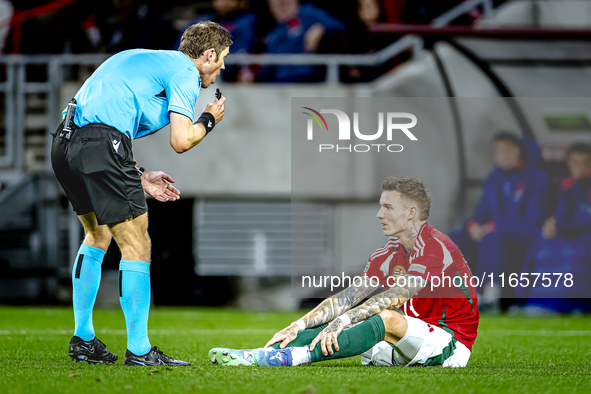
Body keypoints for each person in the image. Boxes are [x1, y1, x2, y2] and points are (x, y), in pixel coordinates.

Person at [51, 21, 232, 366]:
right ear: (208, 54)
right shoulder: (184, 72)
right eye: (222, 58)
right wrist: (208, 119)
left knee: (97, 233)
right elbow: (181, 141)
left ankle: (84, 339)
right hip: (99, 144)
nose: (222, 66)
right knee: (138, 244)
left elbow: (106, 118)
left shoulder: (147, 59)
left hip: (64, 142)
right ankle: (140, 350)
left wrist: (140, 174)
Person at [208, 177, 479, 368]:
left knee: (384, 318)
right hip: (407, 343)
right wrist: (300, 324)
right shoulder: (386, 253)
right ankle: (258, 355)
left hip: (449, 343)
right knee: (339, 324)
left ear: (411, 213)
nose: (378, 214)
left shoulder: (436, 247)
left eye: (387, 207)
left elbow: (395, 296)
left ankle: (294, 358)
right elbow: (348, 297)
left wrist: (345, 321)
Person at [451, 132, 551, 309]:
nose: (502, 155)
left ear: (519, 151)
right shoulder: (494, 178)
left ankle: (490, 295)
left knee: (494, 235)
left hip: (527, 231)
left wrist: (492, 226)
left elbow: (533, 216)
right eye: (498, 151)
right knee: (452, 239)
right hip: (494, 230)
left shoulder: (537, 177)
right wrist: (473, 224)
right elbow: (480, 212)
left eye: (507, 150)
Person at [519, 142, 591, 313]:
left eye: (583, 162)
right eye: (574, 162)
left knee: (575, 253)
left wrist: (561, 225)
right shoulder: (566, 186)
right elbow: (558, 212)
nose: (578, 167)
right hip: (564, 234)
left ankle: (572, 304)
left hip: (582, 236)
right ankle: (531, 302)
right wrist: (551, 223)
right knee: (539, 246)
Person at [256, 0, 346, 82]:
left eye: (285, 3)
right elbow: (268, 70)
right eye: (276, 5)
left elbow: (339, 26)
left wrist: (321, 27)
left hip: (307, 80)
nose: (282, 7)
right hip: (280, 83)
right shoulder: (273, 33)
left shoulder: (308, 13)